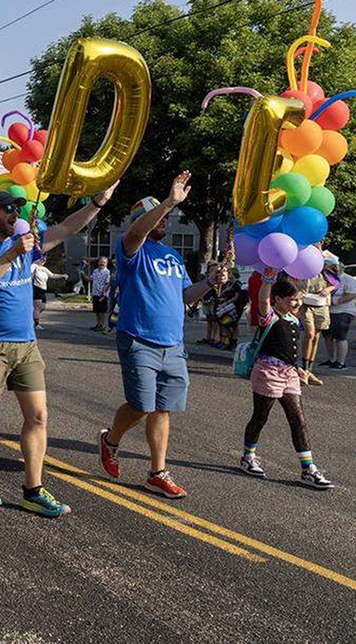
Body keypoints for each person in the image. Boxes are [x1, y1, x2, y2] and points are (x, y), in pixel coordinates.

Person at [0, 180, 116, 516]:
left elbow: (68, 227)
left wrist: (97, 203)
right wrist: (14, 252)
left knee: (39, 416)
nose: (14, 214)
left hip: (26, 344)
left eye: (17, 209)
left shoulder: (27, 241)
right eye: (8, 209)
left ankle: (33, 489)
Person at [97, 173, 227, 499]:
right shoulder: (131, 248)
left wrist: (209, 282)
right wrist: (169, 201)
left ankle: (157, 473)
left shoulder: (172, 255)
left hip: (173, 344)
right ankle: (110, 440)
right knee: (141, 406)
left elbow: (186, 296)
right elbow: (137, 232)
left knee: (162, 408)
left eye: (167, 216)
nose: (164, 220)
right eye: (159, 216)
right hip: (138, 339)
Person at [239, 271, 334, 489]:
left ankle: (308, 469)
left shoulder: (292, 318)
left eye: (298, 299)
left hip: (289, 374)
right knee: (260, 416)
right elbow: (263, 300)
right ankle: (248, 457)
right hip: (268, 372)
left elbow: (288, 348)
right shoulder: (269, 316)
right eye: (292, 300)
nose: (297, 303)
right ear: (278, 299)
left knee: (297, 419)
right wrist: (268, 280)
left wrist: (297, 367)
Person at [297, 269, 333, 386]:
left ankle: (309, 371)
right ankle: (304, 369)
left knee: (316, 337)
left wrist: (328, 289)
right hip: (306, 304)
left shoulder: (324, 269)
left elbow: (336, 282)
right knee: (310, 334)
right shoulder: (301, 267)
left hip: (321, 304)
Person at [323, 262, 356, 370]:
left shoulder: (348, 279)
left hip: (344, 311)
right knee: (328, 336)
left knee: (340, 337)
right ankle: (332, 359)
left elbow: (353, 294)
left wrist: (337, 301)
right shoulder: (325, 279)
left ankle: (341, 362)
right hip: (328, 312)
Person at [31, 259, 66, 329]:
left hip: (43, 289)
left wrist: (62, 275)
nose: (43, 261)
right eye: (42, 259)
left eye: (44, 260)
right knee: (37, 307)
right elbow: (29, 274)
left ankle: (32, 317)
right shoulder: (34, 266)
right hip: (37, 288)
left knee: (43, 307)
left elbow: (52, 275)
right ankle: (36, 324)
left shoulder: (44, 269)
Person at [90, 257, 111, 331]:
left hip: (102, 294)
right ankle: (98, 324)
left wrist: (104, 294)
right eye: (100, 262)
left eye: (104, 262)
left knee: (102, 311)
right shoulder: (95, 271)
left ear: (106, 263)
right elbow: (90, 279)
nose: (102, 263)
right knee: (97, 311)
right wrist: (82, 274)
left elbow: (108, 284)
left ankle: (102, 325)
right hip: (95, 293)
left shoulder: (107, 272)